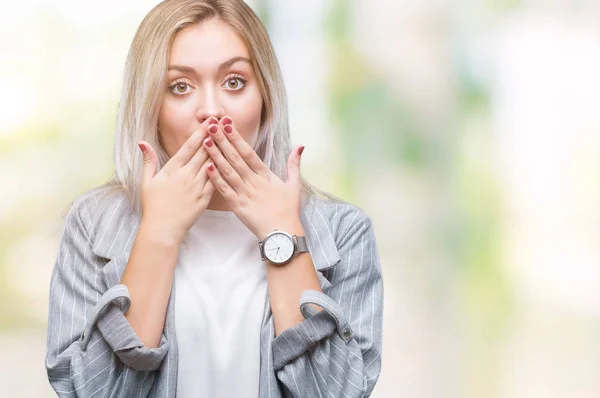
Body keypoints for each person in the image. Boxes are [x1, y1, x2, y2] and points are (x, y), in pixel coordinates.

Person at [45, 0, 383, 396]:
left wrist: (283, 234)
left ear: (266, 97)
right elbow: (87, 391)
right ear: (150, 105)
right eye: (180, 86)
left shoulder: (345, 231)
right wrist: (158, 235)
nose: (210, 110)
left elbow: (339, 391)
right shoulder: (91, 224)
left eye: (234, 81)